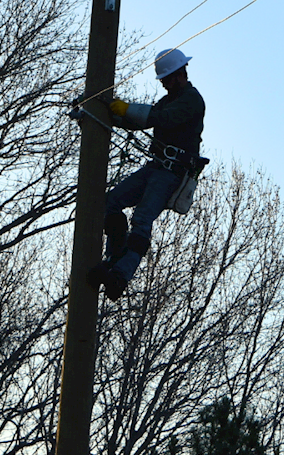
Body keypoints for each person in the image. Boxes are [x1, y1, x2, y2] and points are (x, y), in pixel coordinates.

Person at [87, 48, 205, 299]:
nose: (163, 84)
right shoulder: (168, 100)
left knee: (142, 219)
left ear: (177, 75)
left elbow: (160, 119)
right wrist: (101, 115)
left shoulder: (191, 100)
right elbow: (144, 120)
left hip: (172, 173)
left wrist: (126, 109)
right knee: (112, 201)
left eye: (165, 79)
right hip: (156, 167)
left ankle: (120, 276)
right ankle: (113, 259)